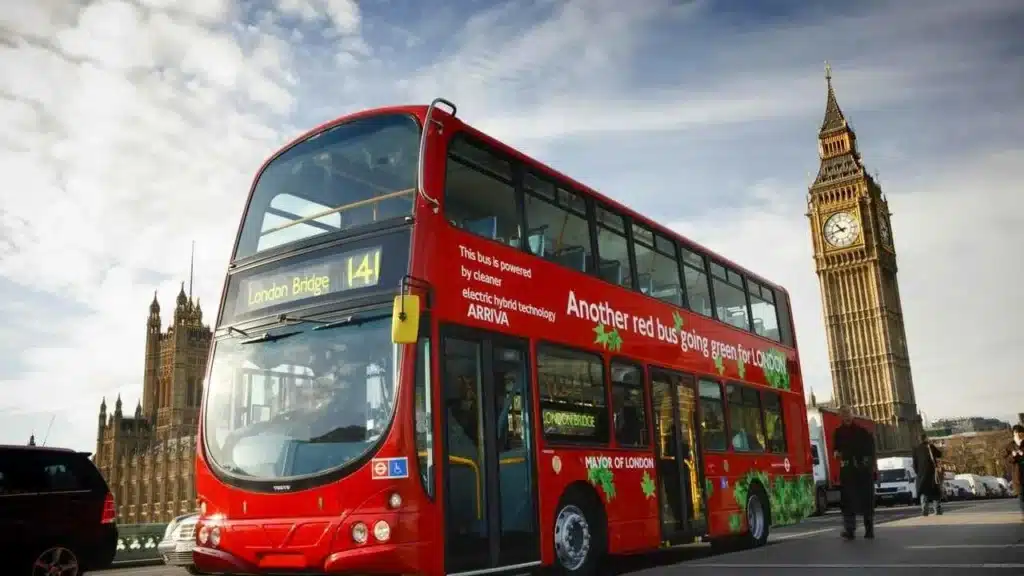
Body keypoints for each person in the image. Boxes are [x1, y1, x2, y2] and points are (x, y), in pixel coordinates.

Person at [832, 406, 877, 539]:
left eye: (848, 413)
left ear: (852, 415)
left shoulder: (862, 432)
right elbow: (835, 451)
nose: (846, 416)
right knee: (847, 502)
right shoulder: (838, 432)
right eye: (843, 414)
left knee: (866, 501)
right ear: (840, 416)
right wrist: (837, 454)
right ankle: (850, 530)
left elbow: (871, 451)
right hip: (848, 472)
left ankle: (869, 529)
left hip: (863, 472)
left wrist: (867, 465)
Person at [912, 433, 943, 516]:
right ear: (926, 439)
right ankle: (937, 510)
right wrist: (931, 444)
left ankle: (924, 510)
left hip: (921, 475)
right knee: (935, 493)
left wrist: (919, 473)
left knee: (923, 492)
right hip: (932, 474)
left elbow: (914, 465)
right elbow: (940, 454)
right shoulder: (930, 447)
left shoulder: (916, 449)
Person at [1003, 424, 1024, 521]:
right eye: (1016, 434)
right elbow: (1006, 461)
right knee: (1021, 495)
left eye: (1021, 433)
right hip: (1018, 475)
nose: (1019, 436)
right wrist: (1013, 456)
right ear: (1013, 434)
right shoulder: (1010, 446)